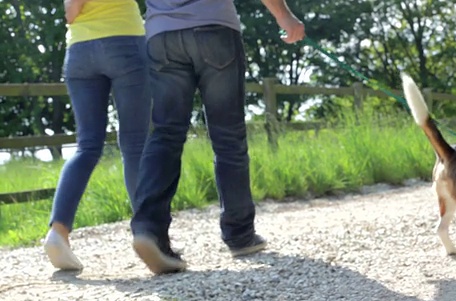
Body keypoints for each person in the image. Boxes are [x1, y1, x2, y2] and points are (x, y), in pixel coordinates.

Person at [129, 0, 305, 275]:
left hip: (162, 35)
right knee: (228, 136)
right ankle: (240, 234)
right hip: (214, 28)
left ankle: (148, 230)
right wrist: (285, 17)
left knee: (165, 133)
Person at [43, 0, 151, 271]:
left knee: (87, 146)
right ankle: (148, 234)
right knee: (135, 145)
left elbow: (71, 12)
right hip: (125, 39)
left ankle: (58, 232)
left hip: (80, 48)